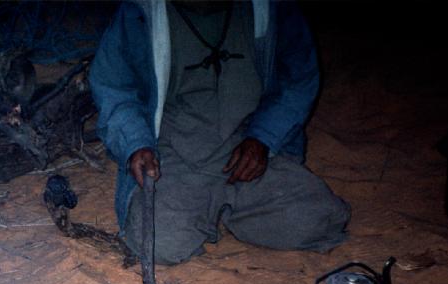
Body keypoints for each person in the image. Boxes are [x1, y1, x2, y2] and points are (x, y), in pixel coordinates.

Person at [89, 0, 350, 264]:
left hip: (251, 149)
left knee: (322, 219)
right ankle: (215, 210)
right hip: (173, 153)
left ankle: (223, 210)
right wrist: (136, 143)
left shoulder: (272, 7)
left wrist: (264, 137)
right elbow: (114, 88)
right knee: (158, 244)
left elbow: (297, 80)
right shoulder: (141, 11)